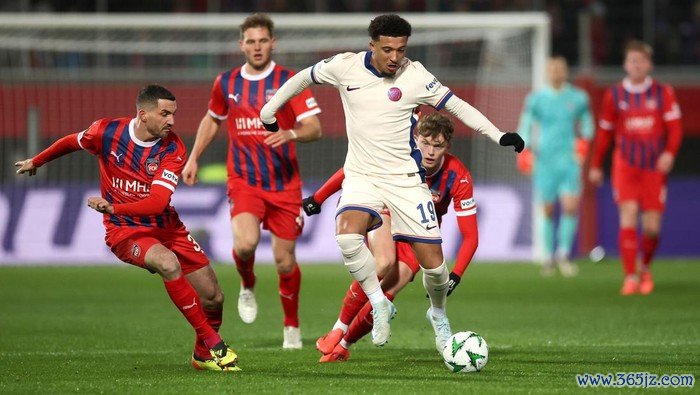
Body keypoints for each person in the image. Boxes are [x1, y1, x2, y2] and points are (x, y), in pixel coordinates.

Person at [260, 14, 524, 351]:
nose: (395, 57)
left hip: (405, 182)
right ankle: (378, 302)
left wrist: (498, 134)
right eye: (387, 50)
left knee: (437, 270)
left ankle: (438, 313)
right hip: (361, 175)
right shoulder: (346, 66)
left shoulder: (415, 76)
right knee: (346, 234)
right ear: (371, 45)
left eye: (401, 49)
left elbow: (458, 106)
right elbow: (303, 77)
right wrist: (269, 112)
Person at [14, 84, 240, 372]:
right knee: (167, 263)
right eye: (165, 114)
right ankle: (214, 343)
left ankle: (201, 355)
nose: (172, 120)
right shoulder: (106, 132)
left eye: (173, 113)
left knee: (213, 296)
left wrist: (113, 206)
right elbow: (73, 141)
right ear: (144, 115)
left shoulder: (173, 148)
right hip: (125, 230)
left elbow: (157, 203)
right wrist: (38, 160)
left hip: (166, 227)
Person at [182, 13, 322, 349]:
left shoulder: (292, 81)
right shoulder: (226, 82)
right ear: (241, 44)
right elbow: (213, 119)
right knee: (244, 245)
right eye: (251, 41)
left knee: (285, 261)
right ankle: (247, 285)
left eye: (263, 41)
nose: (257, 47)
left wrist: (290, 133)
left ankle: (291, 325)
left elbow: (314, 128)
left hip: (284, 185)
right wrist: (193, 156)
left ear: (273, 43)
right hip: (244, 181)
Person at [305, 113, 479, 362]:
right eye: (425, 143)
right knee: (382, 264)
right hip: (386, 214)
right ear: (415, 138)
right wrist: (318, 197)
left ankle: (343, 345)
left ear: (447, 147)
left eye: (438, 146)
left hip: (417, 230)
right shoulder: (398, 154)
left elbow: (471, 235)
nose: (430, 152)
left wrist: (457, 274)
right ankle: (339, 328)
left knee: (391, 288)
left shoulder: (457, 175)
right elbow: (354, 168)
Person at [589, 41, 683, 295]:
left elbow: (675, 129)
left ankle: (646, 267)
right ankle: (630, 277)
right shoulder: (615, 95)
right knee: (628, 215)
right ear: (625, 64)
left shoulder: (663, 93)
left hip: (654, 167)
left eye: (641, 60)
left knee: (652, 227)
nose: (637, 65)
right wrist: (596, 165)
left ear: (649, 64)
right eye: (632, 60)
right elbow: (605, 133)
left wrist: (669, 154)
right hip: (626, 166)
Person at [517, 56, 594, 277]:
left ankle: (564, 254)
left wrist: (583, 141)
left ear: (566, 71)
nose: (556, 72)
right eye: (552, 69)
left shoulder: (578, 97)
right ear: (546, 72)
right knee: (548, 209)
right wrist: (524, 149)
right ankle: (548, 256)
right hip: (545, 161)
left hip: (569, 160)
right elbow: (526, 123)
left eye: (560, 68)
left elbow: (588, 122)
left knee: (570, 206)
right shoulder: (537, 98)